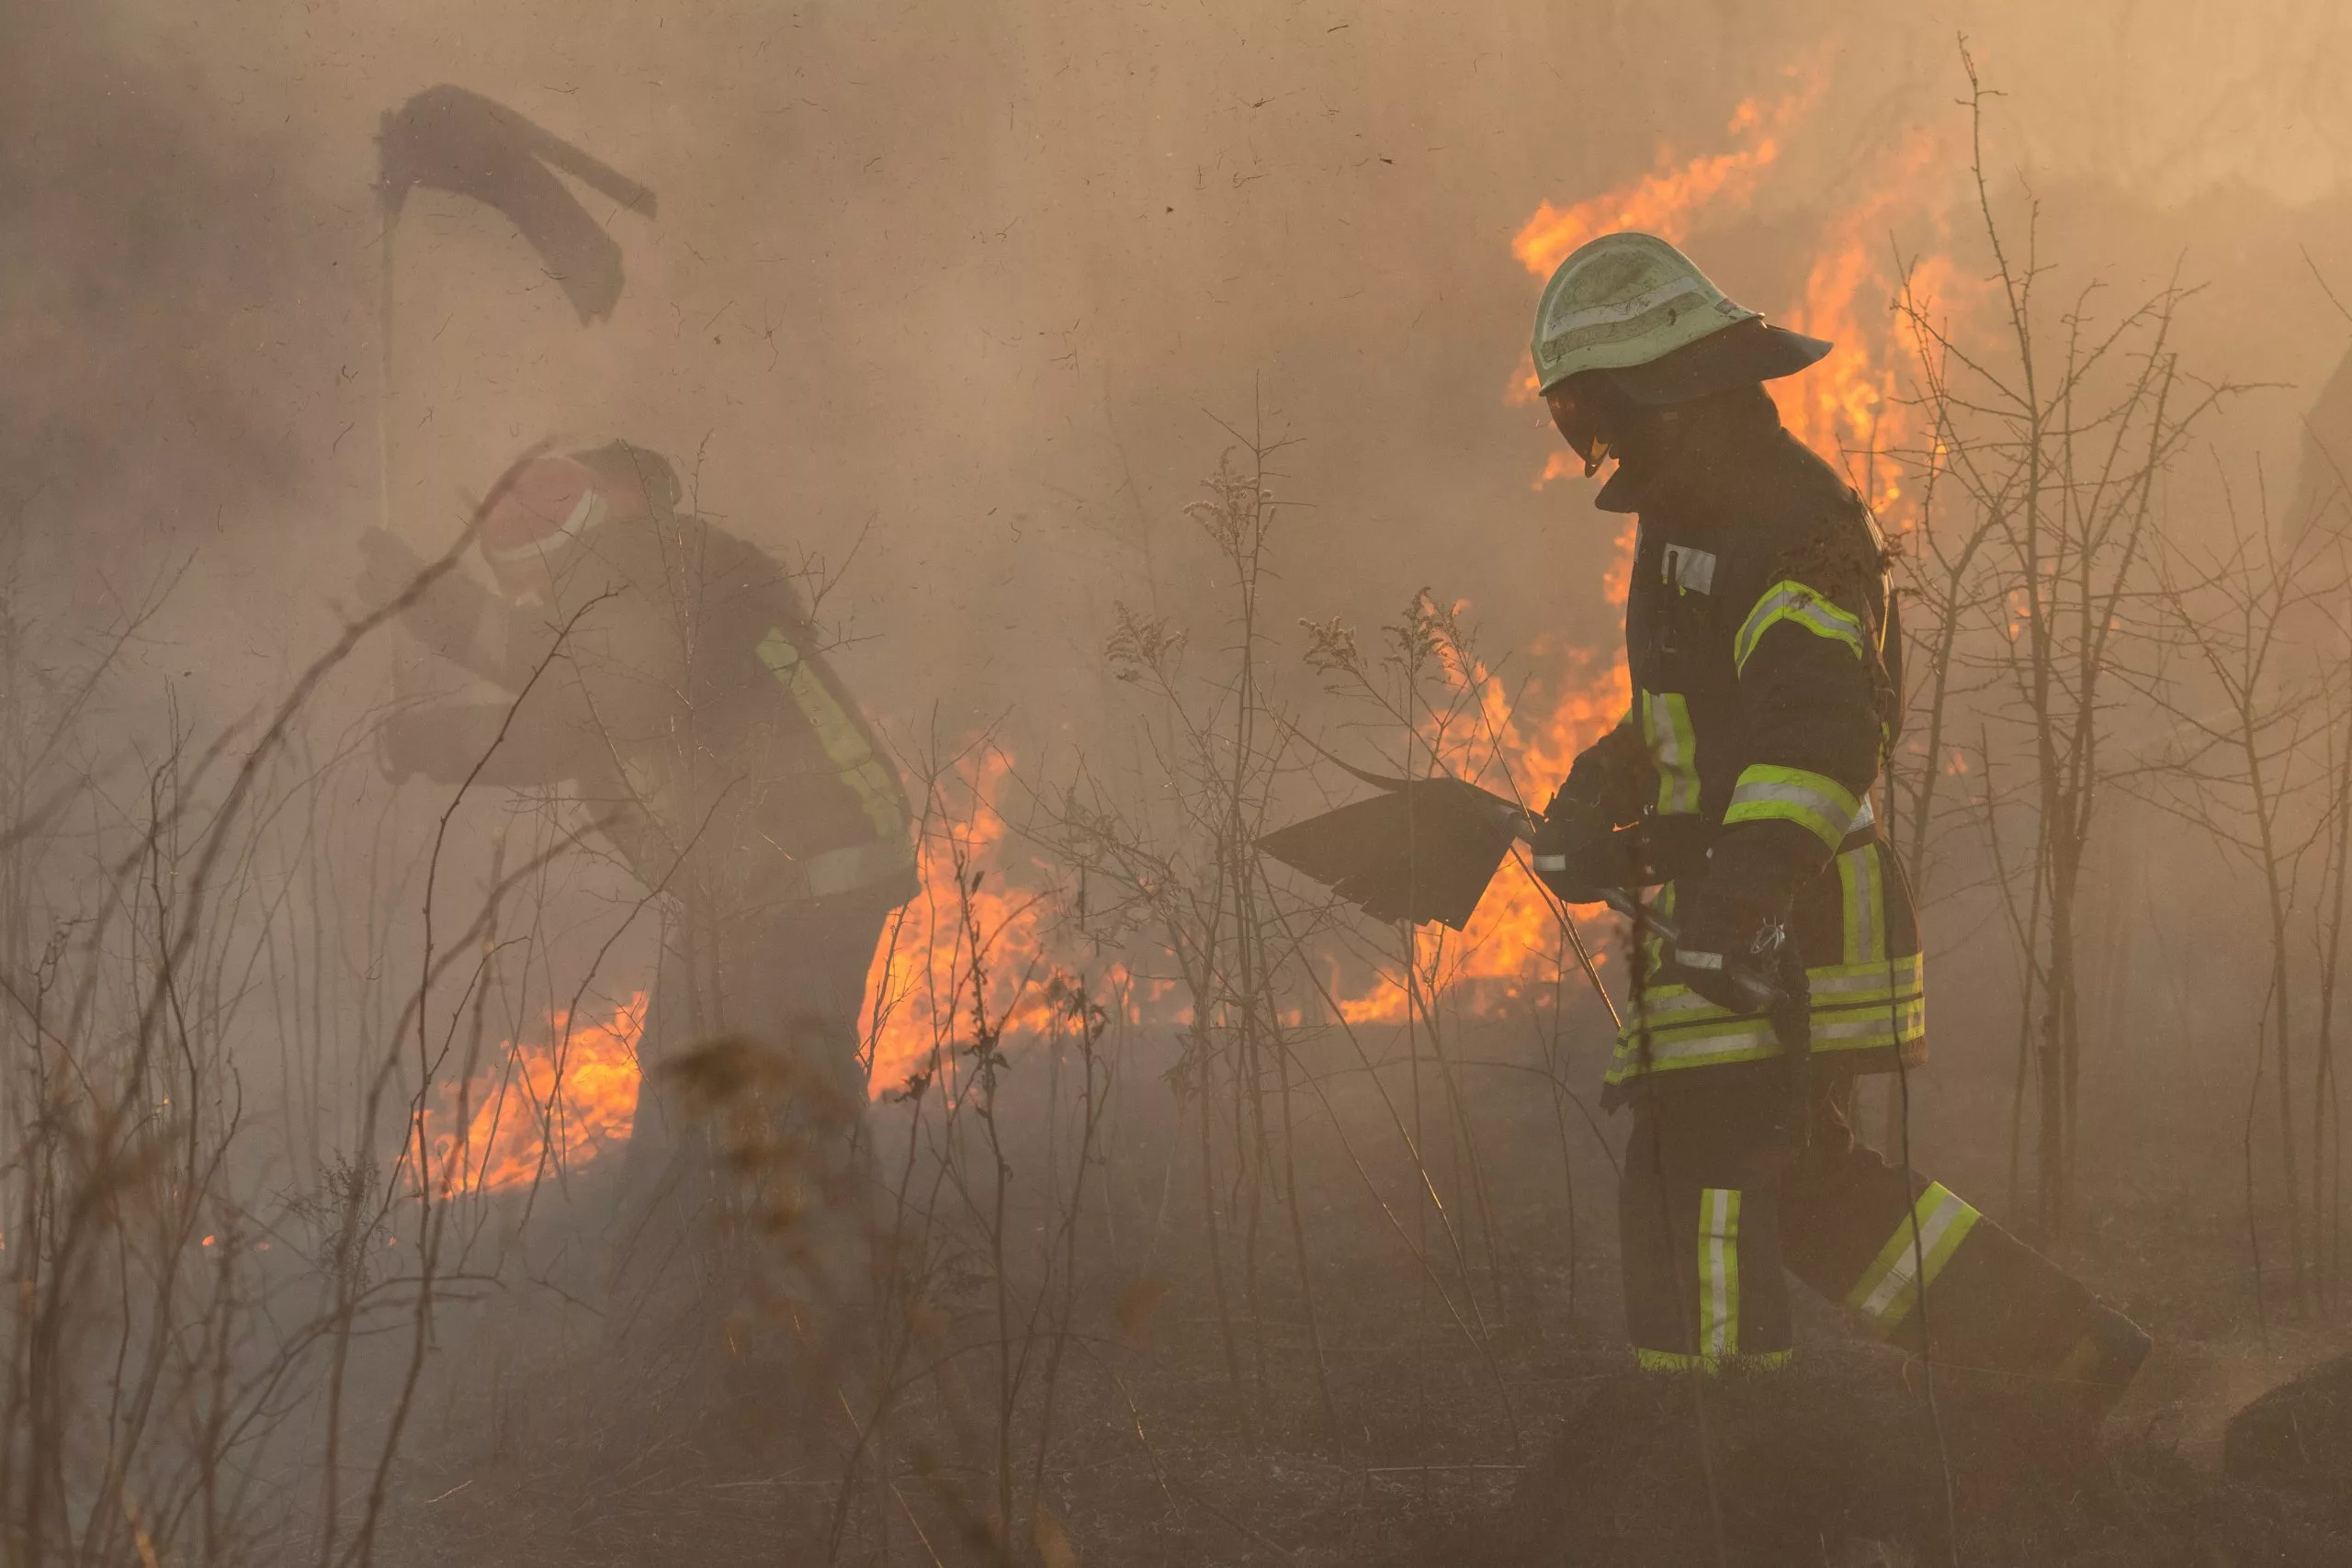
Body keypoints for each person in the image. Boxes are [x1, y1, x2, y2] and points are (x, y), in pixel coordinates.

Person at [1521, 235, 2148, 1416]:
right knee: (1813, 1198)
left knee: (1688, 1174)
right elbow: (1696, 704)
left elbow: (1817, 736)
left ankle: (1711, 1441)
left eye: (1597, 407)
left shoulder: (1789, 522)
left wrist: (1734, 901)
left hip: (1783, 922)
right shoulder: (1695, 514)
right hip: (1746, 916)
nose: (1591, 437)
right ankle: (2066, 1358)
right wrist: (1597, 794)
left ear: (1666, 391)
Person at [355, 440, 916, 1298]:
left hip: (800, 860)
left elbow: (562, 717)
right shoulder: (660, 576)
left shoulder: (648, 585)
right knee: (691, 1079)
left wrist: (427, 716)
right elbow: (546, 663)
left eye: (538, 583)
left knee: (794, 1081)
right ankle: (687, 1301)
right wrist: (420, 602)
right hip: (761, 872)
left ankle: (843, 1308)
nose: (540, 604)